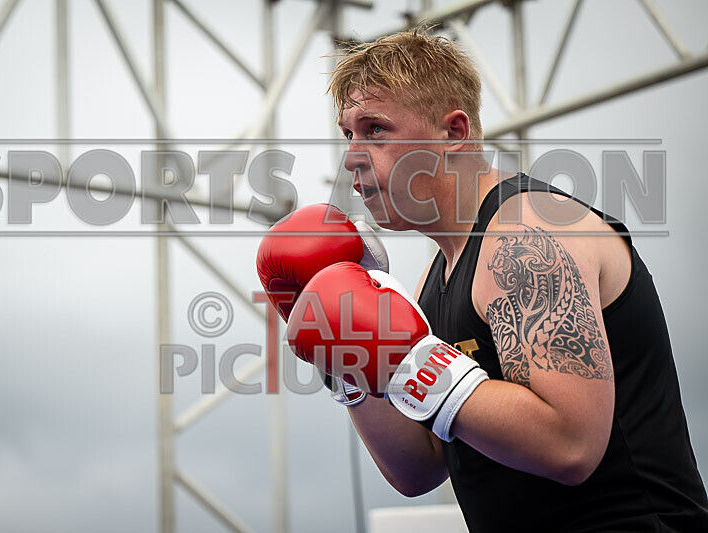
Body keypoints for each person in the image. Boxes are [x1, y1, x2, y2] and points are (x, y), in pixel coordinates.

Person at [257, 29, 708, 531]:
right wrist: (350, 363)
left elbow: (571, 446)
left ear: (454, 133)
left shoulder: (526, 234)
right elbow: (419, 466)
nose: (353, 157)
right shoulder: (439, 273)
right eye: (348, 134)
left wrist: (412, 360)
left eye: (376, 129)